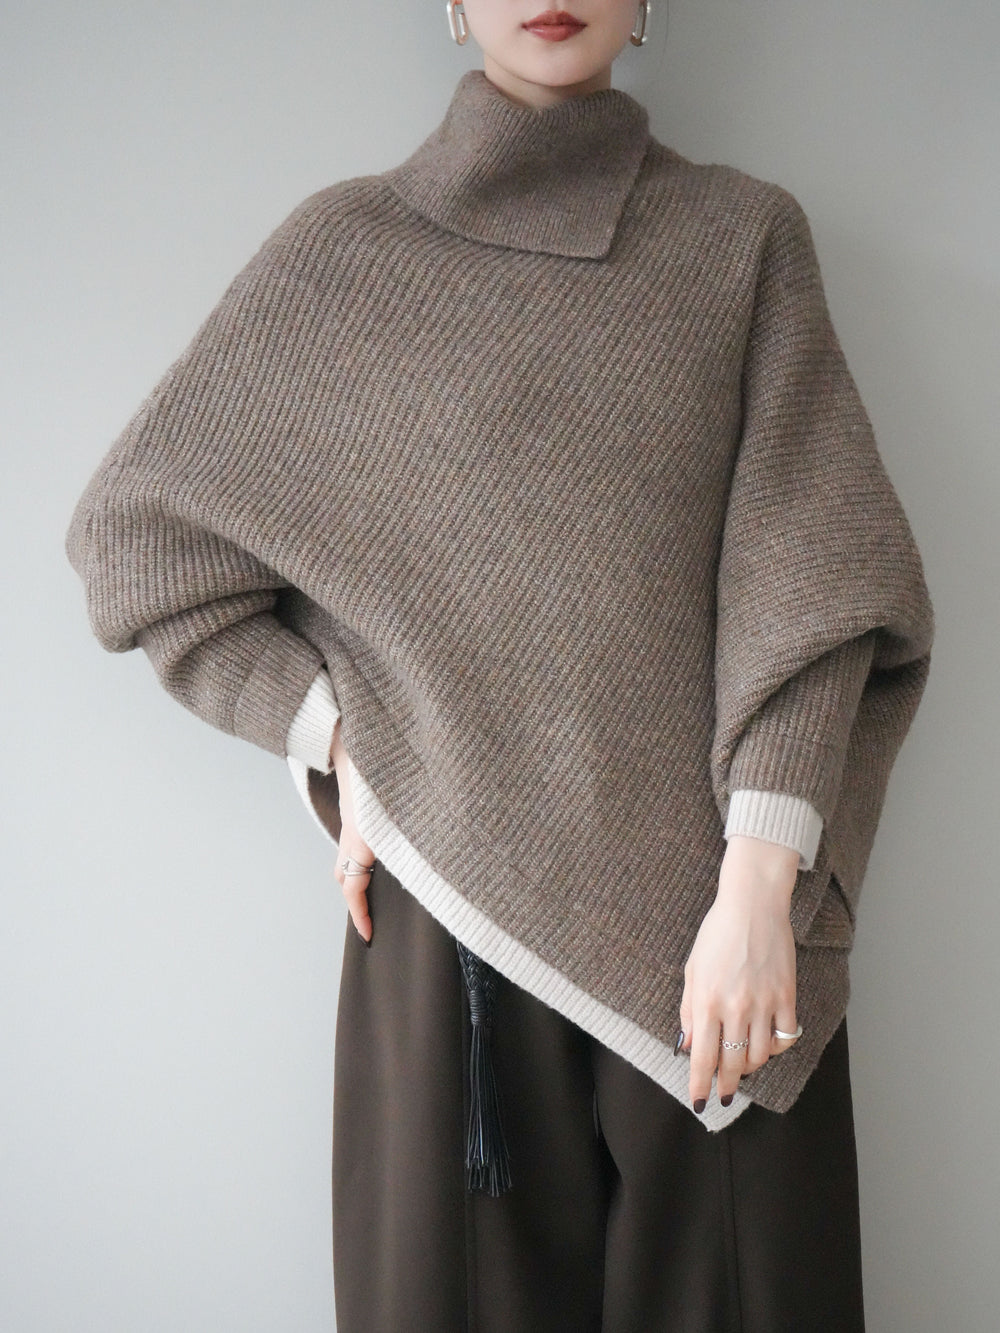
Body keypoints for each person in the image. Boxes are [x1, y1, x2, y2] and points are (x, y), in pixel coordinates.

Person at [64, 2, 935, 1328]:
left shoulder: (741, 239)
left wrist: (764, 889)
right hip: (446, 938)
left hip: (723, 939)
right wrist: (342, 745)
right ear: (453, 4)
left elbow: (815, 581)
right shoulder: (346, 253)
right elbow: (137, 545)